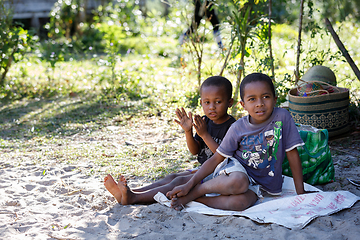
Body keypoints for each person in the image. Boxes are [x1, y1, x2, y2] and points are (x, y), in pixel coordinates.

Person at [166, 72, 308, 211]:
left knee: (240, 203)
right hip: (237, 172)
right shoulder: (238, 127)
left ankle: (195, 198)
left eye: (265, 97)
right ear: (243, 104)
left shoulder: (282, 117)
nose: (260, 104)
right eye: (252, 99)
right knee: (239, 181)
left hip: (261, 184)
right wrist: (190, 184)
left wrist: (300, 193)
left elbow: (292, 153)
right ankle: (196, 191)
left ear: (275, 99)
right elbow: (217, 158)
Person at [104, 76, 236, 205]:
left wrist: (205, 135)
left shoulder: (233, 126)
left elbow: (223, 157)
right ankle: (130, 193)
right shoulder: (205, 122)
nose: (211, 107)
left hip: (220, 173)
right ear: (201, 102)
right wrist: (188, 132)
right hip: (203, 169)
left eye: (218, 102)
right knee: (171, 177)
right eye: (207, 102)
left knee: (178, 181)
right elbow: (195, 151)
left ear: (230, 102)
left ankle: (134, 198)